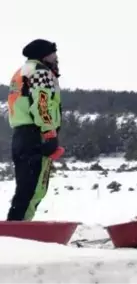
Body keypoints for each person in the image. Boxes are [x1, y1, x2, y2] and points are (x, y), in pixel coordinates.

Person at [6, 39, 65, 221]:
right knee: (35, 188)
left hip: (20, 135)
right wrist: (49, 133)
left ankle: (14, 228)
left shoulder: (21, 72)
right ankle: (19, 232)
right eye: (53, 54)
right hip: (36, 134)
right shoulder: (41, 72)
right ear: (44, 55)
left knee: (25, 188)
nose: (56, 58)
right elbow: (42, 103)